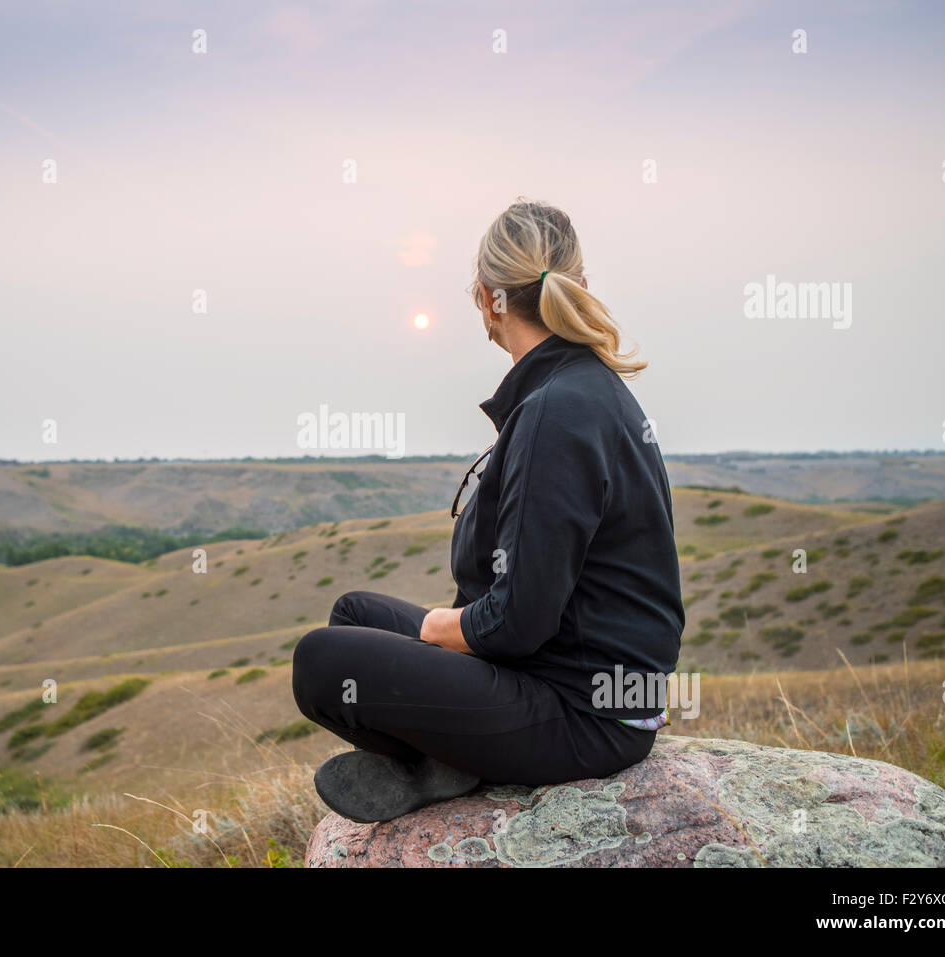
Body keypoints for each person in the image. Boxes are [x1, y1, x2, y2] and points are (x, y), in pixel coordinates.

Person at [291, 199, 684, 823]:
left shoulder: (558, 411)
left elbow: (518, 623)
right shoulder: (581, 389)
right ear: (578, 286)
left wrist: (434, 632)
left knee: (321, 662)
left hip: (583, 714)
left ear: (485, 298)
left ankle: (447, 760)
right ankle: (448, 757)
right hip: (582, 683)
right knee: (353, 615)